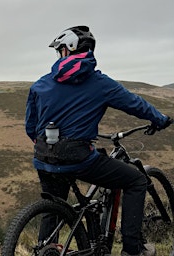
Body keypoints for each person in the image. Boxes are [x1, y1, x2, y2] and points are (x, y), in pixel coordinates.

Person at [25, 25, 172, 256]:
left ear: (68, 50)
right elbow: (135, 104)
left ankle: (47, 248)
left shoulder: (41, 84)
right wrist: (160, 119)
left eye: (60, 50)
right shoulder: (100, 83)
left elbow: (30, 128)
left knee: (54, 207)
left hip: (43, 156)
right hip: (78, 158)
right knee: (136, 181)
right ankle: (133, 250)